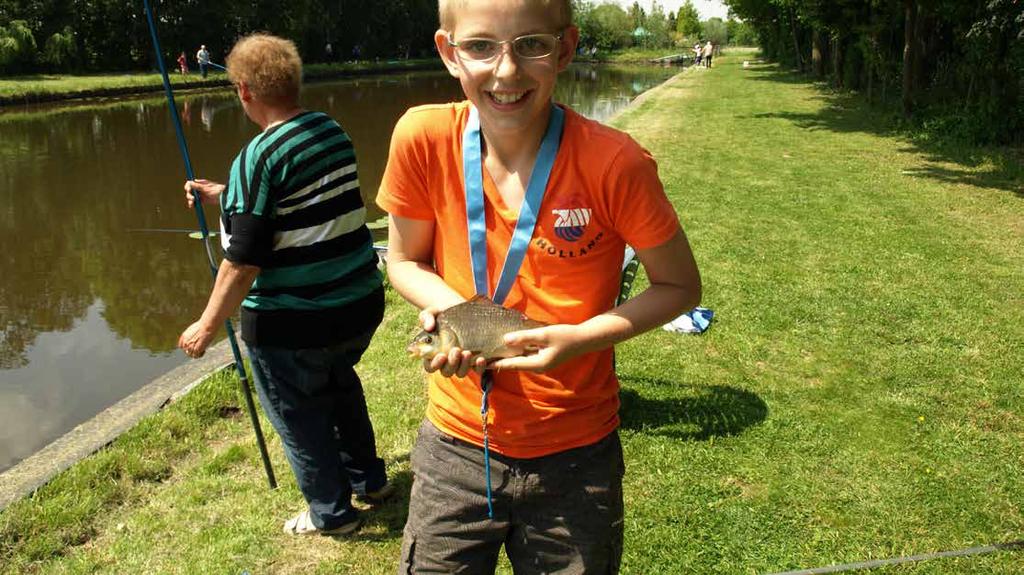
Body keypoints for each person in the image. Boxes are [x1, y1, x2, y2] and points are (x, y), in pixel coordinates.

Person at [376, 0, 701, 572]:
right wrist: (460, 318)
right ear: (448, 53)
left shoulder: (615, 162)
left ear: (566, 49)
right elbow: (403, 261)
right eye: (480, 46)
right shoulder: (421, 136)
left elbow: (679, 286)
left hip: (576, 452)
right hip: (455, 443)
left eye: (532, 44)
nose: (506, 71)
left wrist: (576, 340)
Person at [177, 33, 392, 537]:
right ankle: (371, 481)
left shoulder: (256, 157)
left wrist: (207, 325)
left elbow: (243, 261)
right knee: (340, 387)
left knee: (300, 416)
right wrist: (225, 193)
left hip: (294, 323)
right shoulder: (329, 130)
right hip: (358, 306)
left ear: (245, 90)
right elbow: (299, 194)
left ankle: (332, 515)